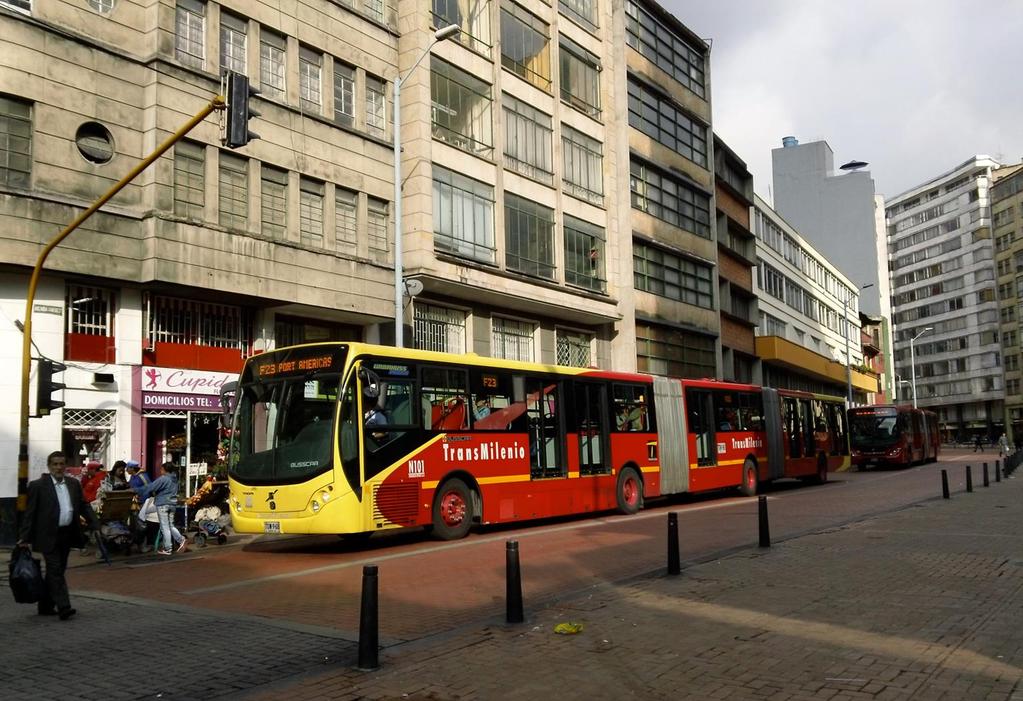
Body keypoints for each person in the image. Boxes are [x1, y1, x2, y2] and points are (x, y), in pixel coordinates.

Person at [17, 451, 99, 620]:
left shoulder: (73, 484)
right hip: (47, 535)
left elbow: (84, 505)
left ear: (65, 466)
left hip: (67, 534)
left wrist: (95, 524)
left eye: (61, 464)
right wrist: (24, 537)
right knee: (55, 570)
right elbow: (30, 514)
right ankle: (64, 606)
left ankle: (45, 606)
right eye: (55, 464)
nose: (58, 467)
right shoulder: (38, 485)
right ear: (49, 466)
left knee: (58, 570)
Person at [136, 461, 188, 555]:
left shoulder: (163, 479)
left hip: (163, 504)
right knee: (170, 525)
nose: (160, 470)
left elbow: (151, 487)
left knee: (165, 527)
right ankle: (181, 540)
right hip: (172, 504)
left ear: (164, 470)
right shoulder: (174, 479)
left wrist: (137, 490)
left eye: (161, 469)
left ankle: (168, 548)